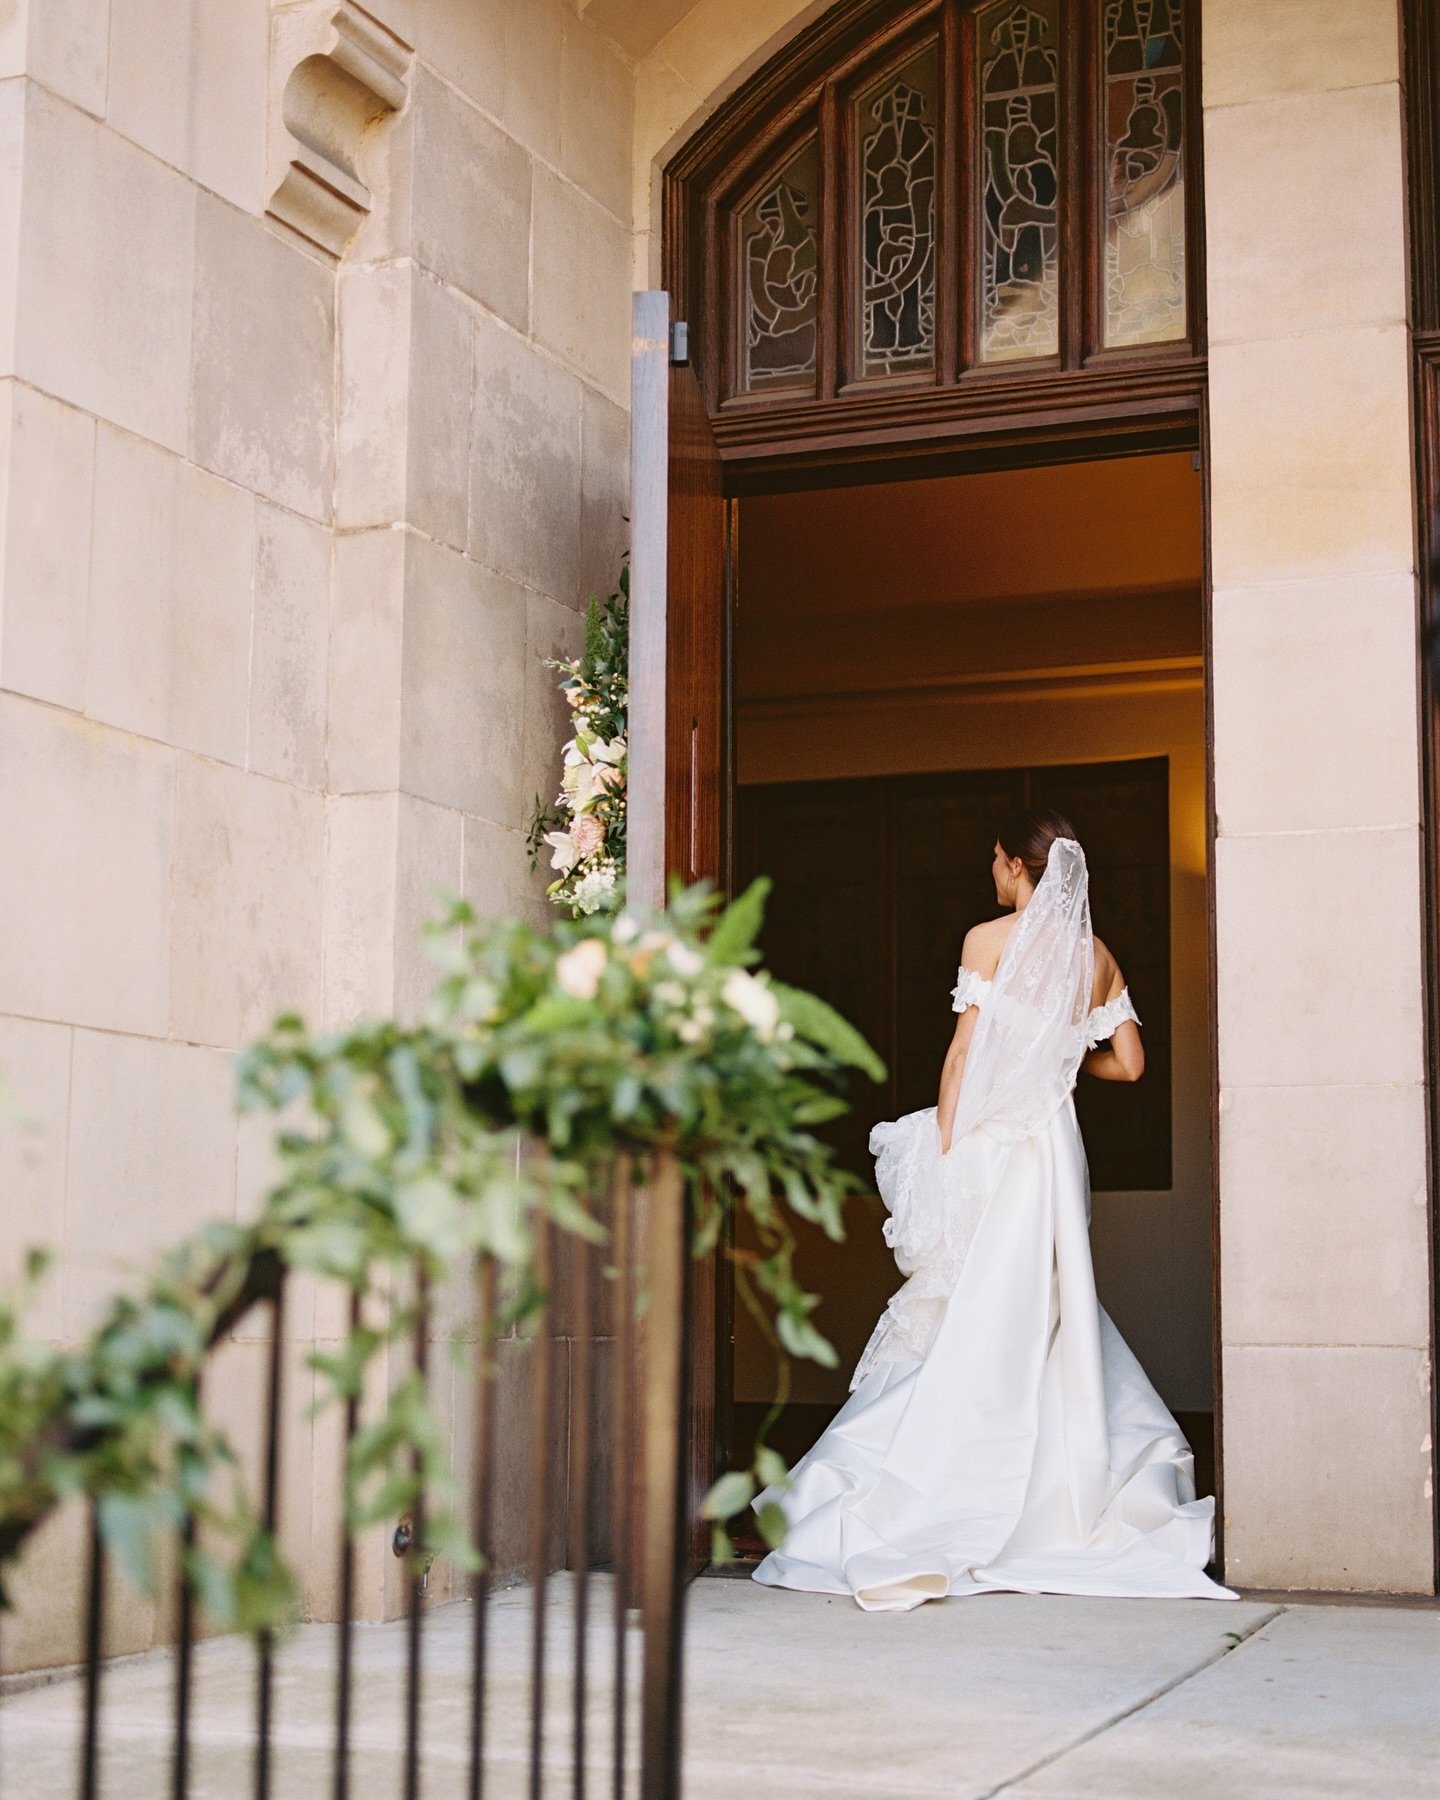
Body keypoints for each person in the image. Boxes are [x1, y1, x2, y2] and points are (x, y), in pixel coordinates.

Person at [752, 808, 1236, 1611]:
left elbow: (963, 1053)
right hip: (1053, 1147)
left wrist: (944, 1146)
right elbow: (1133, 1064)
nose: (992, 872)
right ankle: (1061, 1483)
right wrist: (1061, 1058)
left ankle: (946, 1474)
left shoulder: (987, 941)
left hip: (990, 1139)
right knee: (1043, 1303)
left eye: (997, 861)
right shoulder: (1099, 959)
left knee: (970, 1299)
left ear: (1016, 867)